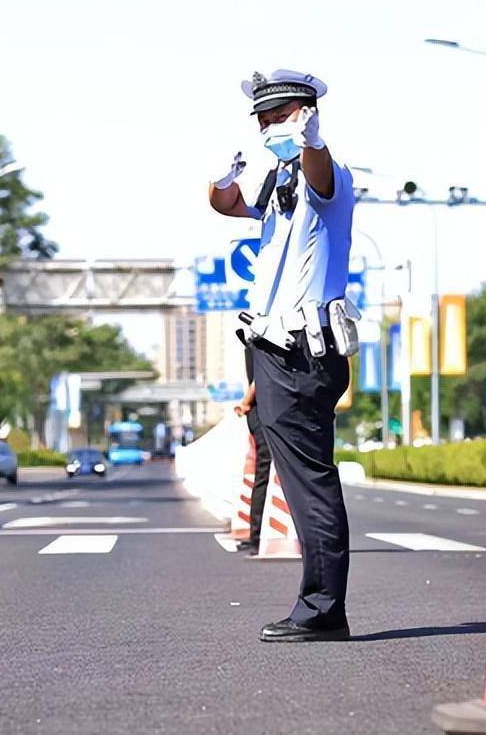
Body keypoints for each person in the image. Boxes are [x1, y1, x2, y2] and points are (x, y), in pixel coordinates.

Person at [208, 69, 356, 643]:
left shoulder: (326, 172)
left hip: (302, 352)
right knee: (300, 483)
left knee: (311, 482)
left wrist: (314, 141)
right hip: (273, 352)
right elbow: (231, 207)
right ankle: (320, 603)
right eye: (264, 119)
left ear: (306, 114)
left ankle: (323, 609)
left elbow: (321, 178)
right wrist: (222, 181)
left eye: (280, 116)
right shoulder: (279, 181)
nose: (270, 127)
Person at [232, 349, 273, 555]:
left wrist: (246, 402)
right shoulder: (266, 335)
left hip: (260, 409)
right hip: (265, 408)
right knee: (266, 471)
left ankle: (257, 535)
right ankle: (257, 536)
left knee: (263, 472)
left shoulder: (254, 338)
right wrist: (247, 401)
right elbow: (260, 378)